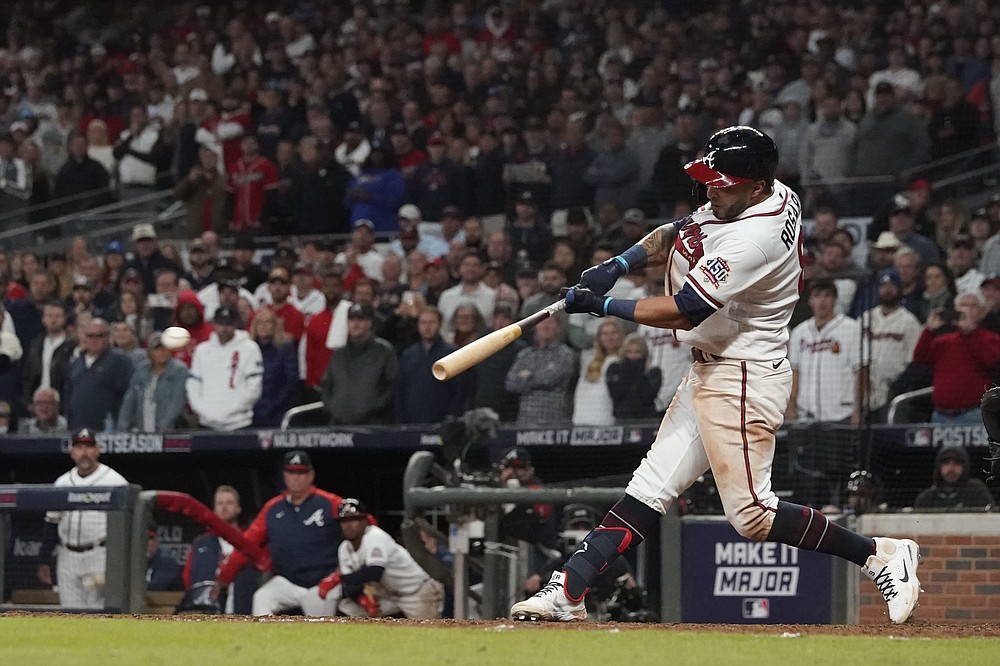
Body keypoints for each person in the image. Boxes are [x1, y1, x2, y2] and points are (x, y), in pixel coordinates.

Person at [512, 126, 921, 625]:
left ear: (755, 187)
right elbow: (678, 231)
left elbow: (686, 310)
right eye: (711, 178)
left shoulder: (755, 237)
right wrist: (618, 263)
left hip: (743, 376)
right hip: (712, 369)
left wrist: (604, 305)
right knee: (650, 486)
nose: (711, 188)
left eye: (722, 182)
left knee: (751, 515)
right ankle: (569, 590)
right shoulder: (758, 194)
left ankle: (880, 554)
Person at [212, 451, 358, 616]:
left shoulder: (330, 502)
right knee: (262, 597)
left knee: (318, 630)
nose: (296, 477)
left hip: (324, 583)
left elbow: (365, 525)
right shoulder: (273, 509)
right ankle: (264, 642)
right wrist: (224, 577)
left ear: (311, 475)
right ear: (284, 476)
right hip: (288, 582)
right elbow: (246, 545)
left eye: (301, 472)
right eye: (291, 472)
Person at [36, 428, 129, 609]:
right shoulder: (62, 482)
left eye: (89, 447)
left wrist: (117, 564)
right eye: (79, 447)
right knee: (70, 614)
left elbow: (127, 528)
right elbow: (52, 523)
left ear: (98, 450)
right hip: (67, 557)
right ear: (72, 452)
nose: (84, 453)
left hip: (100, 555)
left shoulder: (115, 482)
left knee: (98, 615)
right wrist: (44, 560)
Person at [317, 498, 444, 619]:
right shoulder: (344, 548)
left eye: (354, 519)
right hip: (388, 596)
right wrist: (362, 599)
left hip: (416, 592)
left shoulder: (375, 537)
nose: (349, 525)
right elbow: (351, 584)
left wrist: (338, 578)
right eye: (344, 521)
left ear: (364, 521)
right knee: (348, 606)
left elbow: (375, 571)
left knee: (425, 634)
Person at [913, 292, 1000, 424]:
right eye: (963, 305)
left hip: (974, 414)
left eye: (973, 306)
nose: (966, 310)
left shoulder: (990, 339)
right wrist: (929, 329)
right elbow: (920, 357)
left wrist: (970, 333)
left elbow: (991, 361)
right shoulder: (943, 341)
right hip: (941, 415)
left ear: (982, 313)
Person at [786, 279, 865, 424]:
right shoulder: (799, 332)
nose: (822, 301)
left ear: (835, 300)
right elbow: (794, 372)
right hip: (805, 415)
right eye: (817, 296)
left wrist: (857, 409)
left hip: (841, 414)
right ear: (810, 300)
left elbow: (861, 371)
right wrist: (791, 406)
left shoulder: (851, 328)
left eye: (827, 296)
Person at [186, 305, 263, 431]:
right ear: (214, 324)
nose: (224, 328)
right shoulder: (202, 350)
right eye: (220, 324)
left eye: (228, 324)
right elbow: (193, 385)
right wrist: (204, 411)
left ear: (235, 324)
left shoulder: (250, 348)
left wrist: (228, 411)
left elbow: (254, 388)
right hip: (206, 422)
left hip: (239, 423)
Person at [319, 303, 398, 425]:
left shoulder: (384, 351)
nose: (355, 324)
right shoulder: (338, 354)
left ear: (370, 322)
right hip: (338, 425)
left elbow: (393, 386)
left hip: (372, 425)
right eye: (351, 319)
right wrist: (333, 408)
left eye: (361, 319)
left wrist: (374, 407)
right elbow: (326, 385)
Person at [859, 269, 922, 423]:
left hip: (892, 389)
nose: (887, 290)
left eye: (892, 286)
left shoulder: (909, 321)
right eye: (884, 285)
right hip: (865, 388)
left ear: (899, 289)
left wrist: (899, 386)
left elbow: (914, 361)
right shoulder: (866, 318)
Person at [182, 485, 256, 614]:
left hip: (243, 610)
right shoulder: (201, 542)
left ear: (238, 508)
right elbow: (188, 576)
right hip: (208, 611)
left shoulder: (249, 541)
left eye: (229, 503)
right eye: (220, 503)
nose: (224, 507)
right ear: (214, 509)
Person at [505, 315, 577, 426]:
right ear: (535, 326)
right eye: (542, 322)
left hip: (554, 421)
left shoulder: (565, 353)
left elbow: (548, 379)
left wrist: (526, 376)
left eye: (550, 322)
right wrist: (537, 376)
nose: (546, 326)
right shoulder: (525, 354)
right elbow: (511, 383)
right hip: (526, 422)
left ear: (558, 327)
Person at [396, 306, 463, 425]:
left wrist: (451, 416)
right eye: (423, 322)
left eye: (431, 322)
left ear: (440, 324)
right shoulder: (409, 354)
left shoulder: (452, 354)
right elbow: (401, 389)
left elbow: (458, 390)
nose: (427, 327)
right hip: (412, 420)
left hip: (441, 421)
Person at [63, 318, 133, 431]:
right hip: (77, 429)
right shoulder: (76, 363)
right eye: (90, 336)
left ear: (108, 337)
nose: (94, 340)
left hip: (108, 429)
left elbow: (128, 396)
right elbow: (68, 395)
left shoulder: (120, 361)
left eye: (100, 335)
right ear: (84, 337)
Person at [117, 332, 189, 432]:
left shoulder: (179, 370)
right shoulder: (141, 369)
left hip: (170, 431)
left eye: (165, 348)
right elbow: (130, 400)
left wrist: (163, 427)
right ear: (149, 352)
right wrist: (123, 426)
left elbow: (177, 403)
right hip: (144, 428)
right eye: (157, 349)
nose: (162, 352)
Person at [248, 308, 299, 427]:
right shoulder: (248, 350)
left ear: (274, 325)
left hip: (277, 409)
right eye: (260, 322)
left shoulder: (285, 348)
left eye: (268, 322)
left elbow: (291, 381)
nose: (263, 326)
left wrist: (273, 405)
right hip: (251, 410)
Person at [572, 319, 624, 426]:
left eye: (613, 333)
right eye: (605, 334)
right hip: (583, 419)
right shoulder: (588, 360)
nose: (609, 337)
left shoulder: (624, 361)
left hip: (608, 420)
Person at [913, 446, 995, 511]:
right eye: (946, 463)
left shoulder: (976, 491)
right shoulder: (927, 498)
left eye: (957, 463)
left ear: (964, 467)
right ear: (939, 467)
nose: (951, 469)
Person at [605, 333, 662, 421]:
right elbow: (616, 394)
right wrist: (627, 370)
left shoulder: (653, 372)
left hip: (646, 420)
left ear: (644, 353)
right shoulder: (614, 369)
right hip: (622, 419)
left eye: (637, 352)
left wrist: (639, 371)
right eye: (629, 352)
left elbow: (647, 397)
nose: (633, 356)